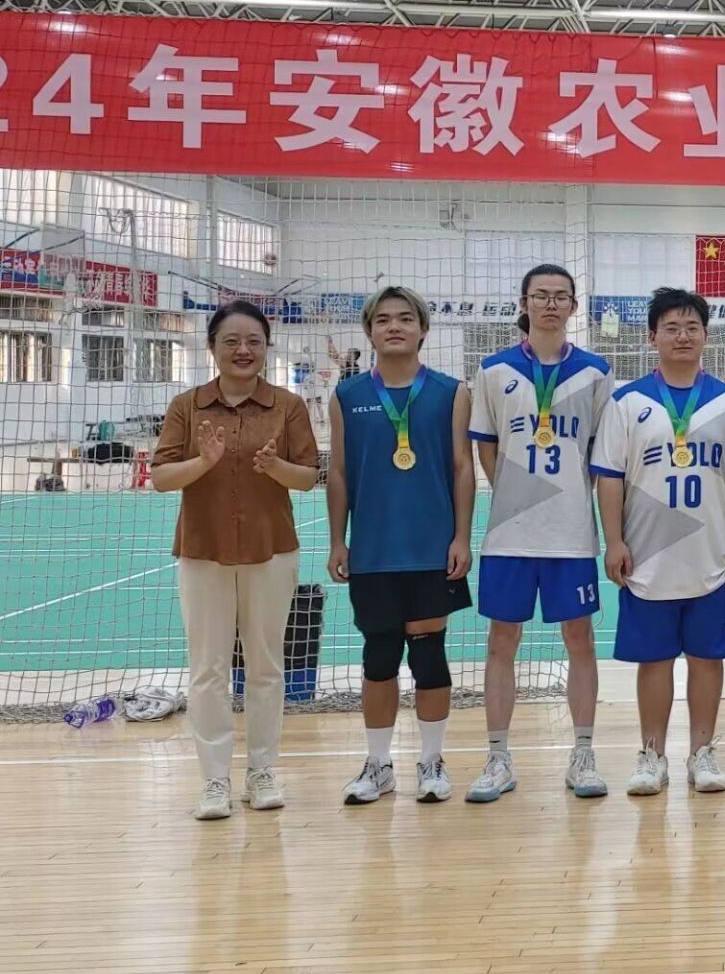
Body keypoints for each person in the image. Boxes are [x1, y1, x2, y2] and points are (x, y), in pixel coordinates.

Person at [153, 300, 320, 820]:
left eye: (254, 341)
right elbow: (161, 477)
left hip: (272, 551)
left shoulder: (288, 406)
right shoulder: (187, 406)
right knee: (208, 669)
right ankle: (214, 780)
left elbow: (308, 477)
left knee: (266, 667)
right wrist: (203, 462)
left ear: (267, 348)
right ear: (212, 347)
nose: (243, 350)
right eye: (231, 341)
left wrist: (276, 467)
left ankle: (262, 772)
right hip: (203, 550)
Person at [595, 288, 725, 795]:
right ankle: (652, 755)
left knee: (708, 659)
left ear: (706, 336)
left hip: (713, 554)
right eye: (671, 328)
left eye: (692, 327)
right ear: (652, 337)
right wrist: (614, 541)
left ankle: (702, 752)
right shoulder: (627, 402)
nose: (682, 336)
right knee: (655, 660)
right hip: (648, 557)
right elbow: (610, 479)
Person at [465, 264, 612, 804]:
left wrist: (570, 493)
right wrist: (513, 493)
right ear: (523, 303)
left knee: (580, 639)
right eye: (540, 295)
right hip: (510, 534)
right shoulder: (492, 370)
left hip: (571, 533)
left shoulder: (596, 372)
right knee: (501, 641)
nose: (551, 304)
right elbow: (485, 446)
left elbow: (601, 454)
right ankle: (498, 757)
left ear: (574, 306)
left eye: (561, 296)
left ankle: (583, 753)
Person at [328, 286, 475, 805]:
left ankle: (432, 760)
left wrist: (462, 537)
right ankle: (378, 764)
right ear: (369, 332)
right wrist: (337, 541)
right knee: (380, 655)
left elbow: (462, 468)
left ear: (423, 329)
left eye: (405, 318)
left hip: (432, 549)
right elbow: (339, 473)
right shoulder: (347, 396)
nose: (394, 326)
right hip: (372, 552)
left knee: (429, 655)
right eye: (383, 319)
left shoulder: (451, 392)